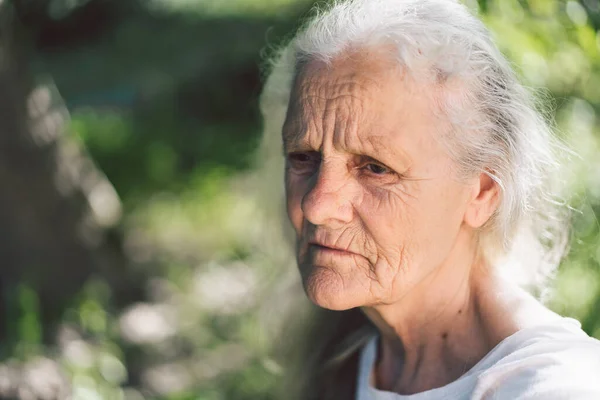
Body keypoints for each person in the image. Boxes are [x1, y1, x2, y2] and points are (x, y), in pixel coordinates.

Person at [258, 0, 600, 399]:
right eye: (303, 157)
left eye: (375, 168)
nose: (316, 205)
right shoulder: (353, 356)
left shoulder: (553, 387)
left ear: (483, 191)